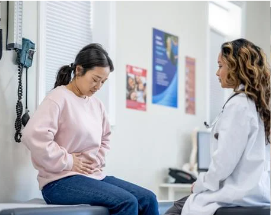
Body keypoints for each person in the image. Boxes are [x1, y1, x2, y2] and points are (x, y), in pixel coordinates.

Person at [22, 43, 159, 215]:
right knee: (126, 202)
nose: (98, 86)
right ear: (79, 71)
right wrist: (69, 161)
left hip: (92, 176)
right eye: (95, 79)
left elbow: (105, 138)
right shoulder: (58, 98)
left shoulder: (96, 104)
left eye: (103, 81)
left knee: (149, 199)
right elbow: (32, 136)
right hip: (58, 181)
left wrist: (97, 159)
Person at [165, 38, 270, 215]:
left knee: (174, 210)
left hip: (234, 195)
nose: (217, 73)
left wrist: (199, 184)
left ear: (235, 68)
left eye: (220, 66)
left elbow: (223, 164)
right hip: (259, 194)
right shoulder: (261, 105)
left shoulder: (238, 105)